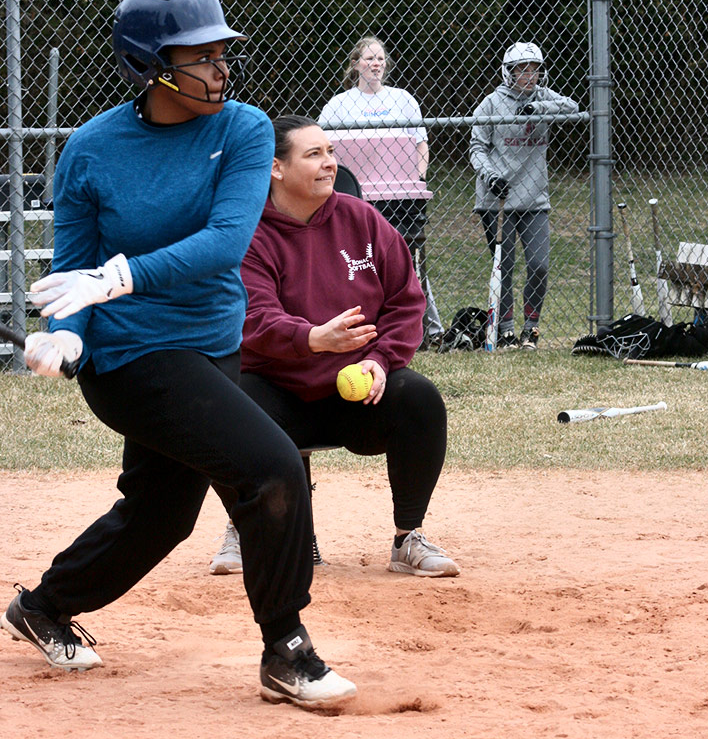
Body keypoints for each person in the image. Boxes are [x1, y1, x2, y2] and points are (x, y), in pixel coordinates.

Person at [0, 0, 356, 709]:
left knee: (161, 511)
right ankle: (286, 649)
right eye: (201, 56)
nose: (221, 68)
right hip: (131, 358)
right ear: (148, 65)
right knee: (272, 467)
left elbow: (225, 243)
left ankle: (43, 606)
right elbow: (73, 269)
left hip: (209, 345)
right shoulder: (91, 150)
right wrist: (65, 340)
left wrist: (121, 275)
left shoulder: (246, 128)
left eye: (224, 52)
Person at [208, 115, 459, 580]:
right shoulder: (248, 232)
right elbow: (252, 316)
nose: (330, 164)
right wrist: (311, 338)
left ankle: (409, 538)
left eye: (330, 153)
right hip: (276, 388)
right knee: (216, 404)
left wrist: (381, 361)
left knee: (419, 398)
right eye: (314, 154)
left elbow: (407, 302)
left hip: (354, 392)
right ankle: (252, 526)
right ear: (276, 169)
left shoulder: (360, 218)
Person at [317, 36, 444, 349]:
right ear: (356, 63)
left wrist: (417, 176)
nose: (375, 64)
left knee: (407, 259)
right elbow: (323, 147)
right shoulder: (339, 105)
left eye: (380, 59)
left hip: (400, 196)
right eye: (369, 58)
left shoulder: (403, 99)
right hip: (357, 198)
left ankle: (430, 329)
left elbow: (420, 144)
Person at [470, 42, 579, 350]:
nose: (529, 76)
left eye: (534, 69)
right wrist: (491, 177)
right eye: (522, 70)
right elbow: (477, 148)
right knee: (504, 266)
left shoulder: (544, 97)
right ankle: (504, 329)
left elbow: (573, 109)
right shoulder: (491, 103)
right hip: (498, 198)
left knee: (539, 264)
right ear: (509, 72)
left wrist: (537, 108)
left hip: (534, 197)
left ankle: (530, 328)